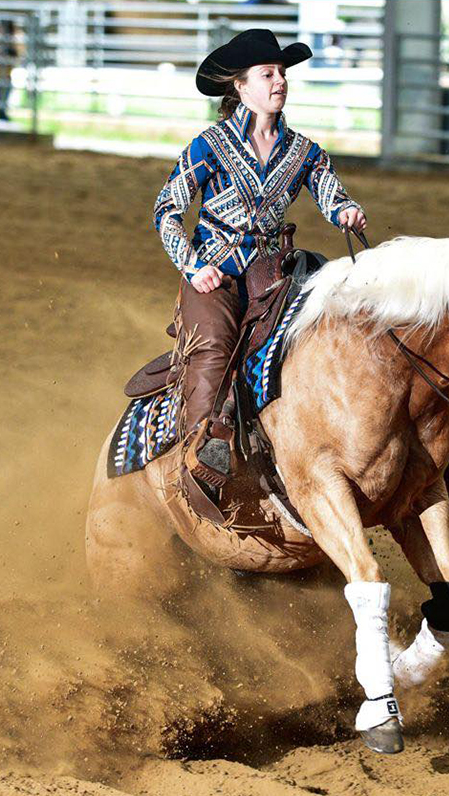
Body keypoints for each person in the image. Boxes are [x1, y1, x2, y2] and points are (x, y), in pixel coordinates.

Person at [153, 29, 366, 497]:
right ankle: (200, 452)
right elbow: (167, 209)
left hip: (274, 272)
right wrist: (192, 266)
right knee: (212, 347)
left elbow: (331, 194)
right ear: (241, 87)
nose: (280, 81)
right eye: (267, 74)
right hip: (217, 274)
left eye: (283, 73)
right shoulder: (207, 146)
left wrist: (345, 210)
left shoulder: (305, 151)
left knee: (341, 320)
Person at [0, 19, 18, 122]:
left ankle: (3, 119)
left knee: (2, 105)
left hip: (5, 76)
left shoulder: (12, 42)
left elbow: (14, 58)